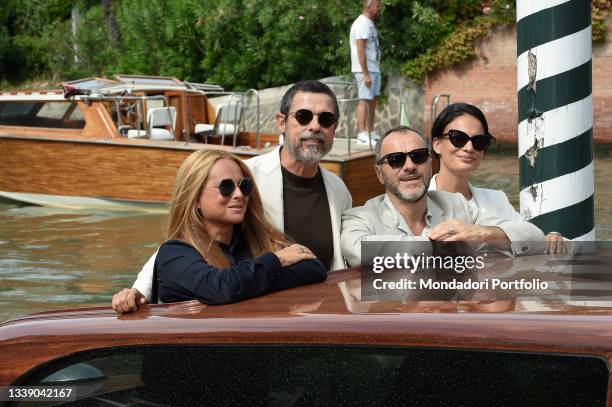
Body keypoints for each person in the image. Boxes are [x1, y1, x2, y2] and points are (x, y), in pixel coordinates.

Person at [113, 80, 352, 312]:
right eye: (303, 116)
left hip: (320, 315)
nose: (314, 126)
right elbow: (181, 244)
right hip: (261, 319)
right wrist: (140, 290)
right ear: (282, 122)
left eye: (326, 119)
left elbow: (320, 265)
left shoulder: (338, 188)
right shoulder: (244, 176)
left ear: (334, 127)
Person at [113, 149, 326, 312]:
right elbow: (220, 288)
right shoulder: (174, 254)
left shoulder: (255, 240)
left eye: (244, 186)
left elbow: (313, 268)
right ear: (195, 198)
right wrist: (275, 262)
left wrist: (249, 282)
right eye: (225, 187)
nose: (239, 195)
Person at [340, 126, 545, 267]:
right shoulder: (360, 217)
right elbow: (360, 252)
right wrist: (435, 244)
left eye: (418, 156)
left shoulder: (455, 205)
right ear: (379, 174)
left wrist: (480, 233)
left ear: (430, 163)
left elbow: (534, 237)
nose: (409, 166)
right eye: (396, 160)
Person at [429, 102, 565, 252]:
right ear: (437, 145)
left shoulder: (496, 199)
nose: (469, 148)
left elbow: (531, 237)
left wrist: (482, 233)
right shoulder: (419, 200)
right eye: (458, 138)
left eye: (479, 141)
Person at [350, 0, 382, 145]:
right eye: (377, 5)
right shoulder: (362, 23)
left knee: (372, 100)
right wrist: (365, 73)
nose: (379, 8)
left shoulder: (369, 22)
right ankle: (362, 134)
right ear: (368, 6)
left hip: (374, 68)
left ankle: (370, 131)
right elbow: (360, 49)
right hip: (366, 70)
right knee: (364, 99)